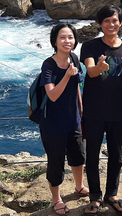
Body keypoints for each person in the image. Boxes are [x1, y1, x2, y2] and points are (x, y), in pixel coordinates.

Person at [81, 5, 122, 215]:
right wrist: (99, 68)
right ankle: (95, 196)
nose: (111, 24)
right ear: (100, 24)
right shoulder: (90, 46)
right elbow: (91, 71)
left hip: (118, 111)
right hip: (94, 111)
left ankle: (111, 194)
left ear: (120, 22)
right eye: (107, 21)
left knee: (116, 156)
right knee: (92, 156)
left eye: (115, 20)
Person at [39, 23, 89, 215]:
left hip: (73, 120)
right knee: (56, 161)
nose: (67, 41)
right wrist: (67, 76)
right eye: (62, 37)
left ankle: (79, 186)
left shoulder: (74, 58)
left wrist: (81, 109)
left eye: (70, 37)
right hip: (53, 124)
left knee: (78, 155)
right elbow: (52, 95)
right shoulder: (48, 65)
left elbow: (76, 85)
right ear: (54, 41)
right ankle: (56, 199)